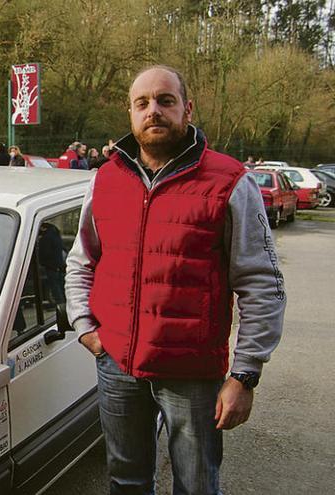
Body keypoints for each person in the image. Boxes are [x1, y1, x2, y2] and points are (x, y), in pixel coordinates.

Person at [64, 65, 286, 495]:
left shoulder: (230, 181)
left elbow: (262, 283)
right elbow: (82, 260)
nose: (154, 111)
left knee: (197, 485)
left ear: (188, 108)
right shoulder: (105, 178)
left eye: (166, 100)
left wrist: (245, 374)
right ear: (130, 113)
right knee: (126, 481)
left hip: (192, 374)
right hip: (118, 367)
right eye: (142, 103)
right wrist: (84, 327)